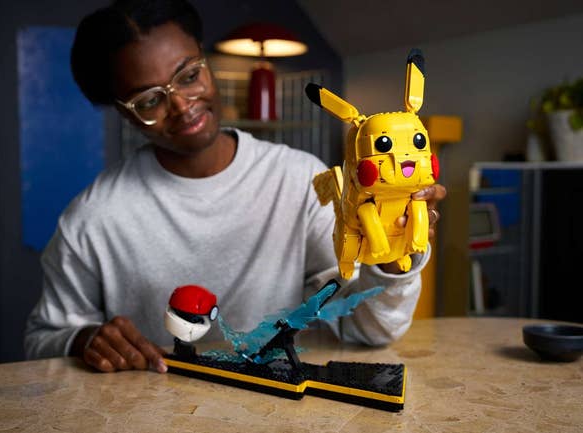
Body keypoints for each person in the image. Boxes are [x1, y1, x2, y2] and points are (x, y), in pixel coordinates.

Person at [24, 0, 447, 374]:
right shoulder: (93, 218)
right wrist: (83, 339)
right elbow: (41, 340)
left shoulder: (299, 180)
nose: (182, 105)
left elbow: (372, 331)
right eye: (149, 100)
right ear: (123, 113)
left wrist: (392, 259)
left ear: (205, 59)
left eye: (189, 75)